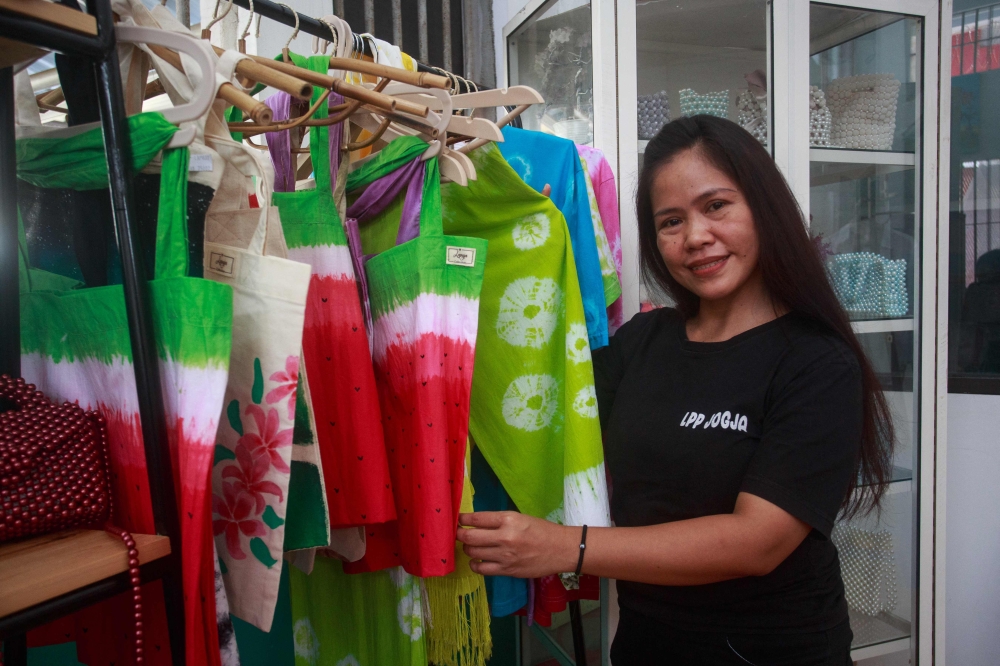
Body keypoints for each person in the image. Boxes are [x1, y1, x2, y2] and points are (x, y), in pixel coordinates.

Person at [457, 116, 895, 665]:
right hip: (646, 643)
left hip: (773, 649)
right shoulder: (644, 339)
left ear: (763, 207)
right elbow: (544, 399)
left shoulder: (815, 361)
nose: (695, 237)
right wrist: (521, 252)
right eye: (670, 221)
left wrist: (566, 546)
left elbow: (757, 541)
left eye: (716, 206)